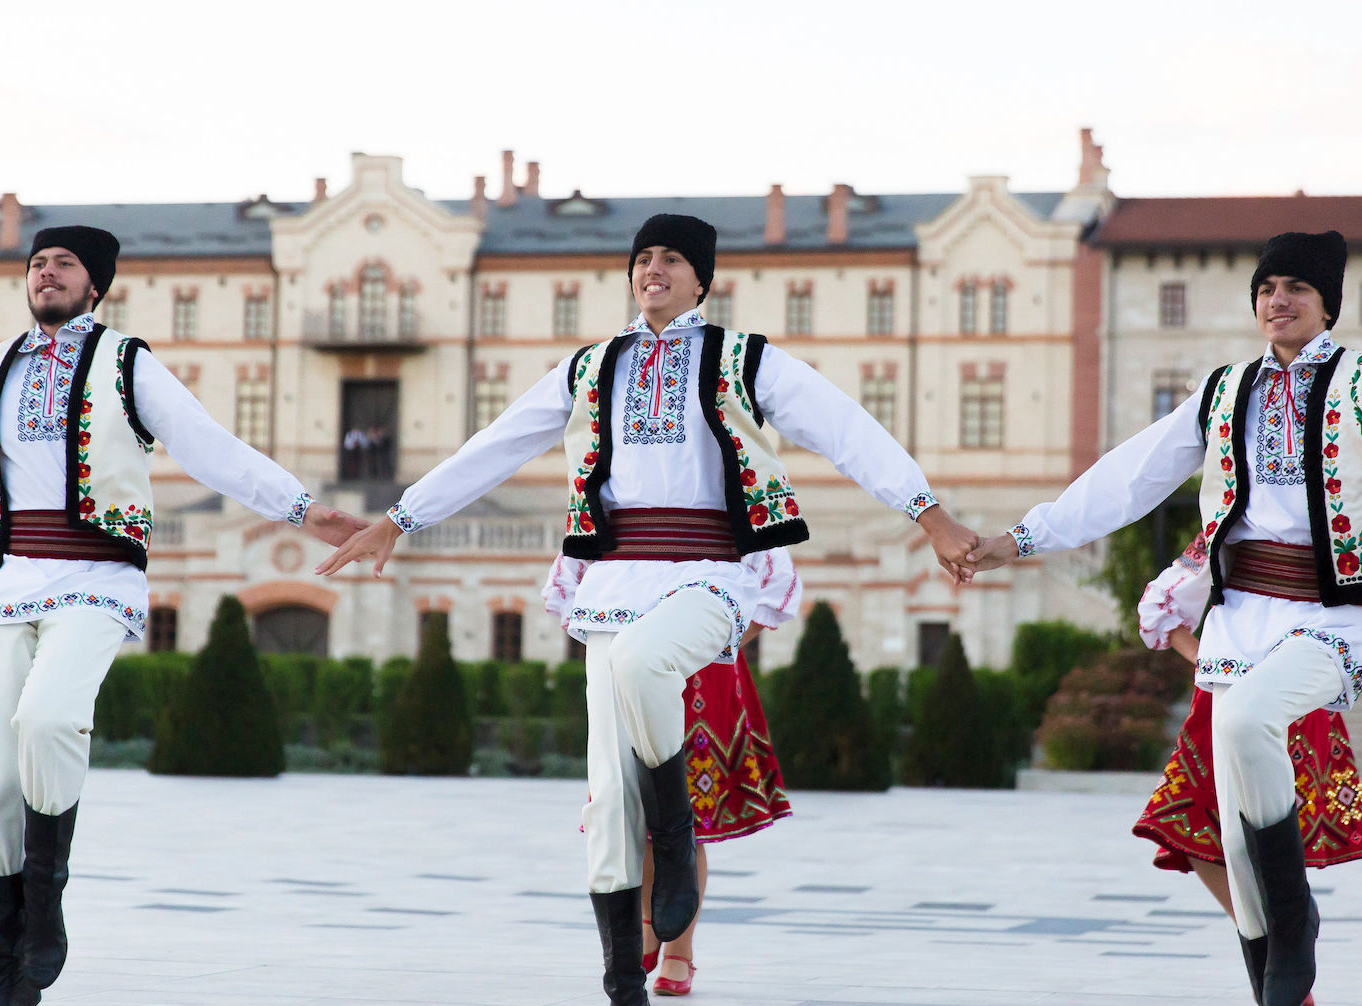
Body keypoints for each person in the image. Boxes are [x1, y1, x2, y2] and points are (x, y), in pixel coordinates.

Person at [316, 213, 981, 1005]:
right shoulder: (591, 367)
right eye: (642, 258)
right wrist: (399, 520)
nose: (653, 269)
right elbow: (496, 444)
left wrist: (929, 514)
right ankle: (619, 981)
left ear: (702, 278)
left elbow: (848, 430)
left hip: (713, 573)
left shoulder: (744, 358)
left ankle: (675, 823)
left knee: (641, 664)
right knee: (605, 797)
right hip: (614, 580)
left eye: (671, 259)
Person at [967, 231, 1362, 1006]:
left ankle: (1296, 928)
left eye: (1296, 286)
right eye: (1267, 287)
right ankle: (1279, 993)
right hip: (1240, 617)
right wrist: (1020, 539)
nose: (1278, 299)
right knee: (1232, 841)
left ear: (1327, 301)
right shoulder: (1224, 388)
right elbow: (1126, 479)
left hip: (1336, 611)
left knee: (1242, 727)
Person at [0, 225, 362, 1006]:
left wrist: (302, 509)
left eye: (63, 264)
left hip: (96, 575)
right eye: (37, 263)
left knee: (47, 721)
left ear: (96, 284)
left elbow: (208, 445)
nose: (46, 273)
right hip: (4, 585)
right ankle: (8, 978)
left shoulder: (127, 363)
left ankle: (46, 907)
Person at [1133, 532, 1362, 1006]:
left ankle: (1282, 967)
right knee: (1197, 831)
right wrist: (1205, 660)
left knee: (1261, 835)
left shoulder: (1343, 519)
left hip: (1294, 695)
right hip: (1223, 693)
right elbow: (1161, 605)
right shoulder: (1232, 516)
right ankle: (1277, 959)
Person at [542, 545, 800, 996]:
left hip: (704, 672)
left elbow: (775, 587)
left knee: (687, 817)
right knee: (633, 809)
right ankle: (645, 932)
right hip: (626, 671)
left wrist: (718, 639)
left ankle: (679, 949)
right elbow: (568, 585)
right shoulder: (611, 499)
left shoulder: (733, 498)